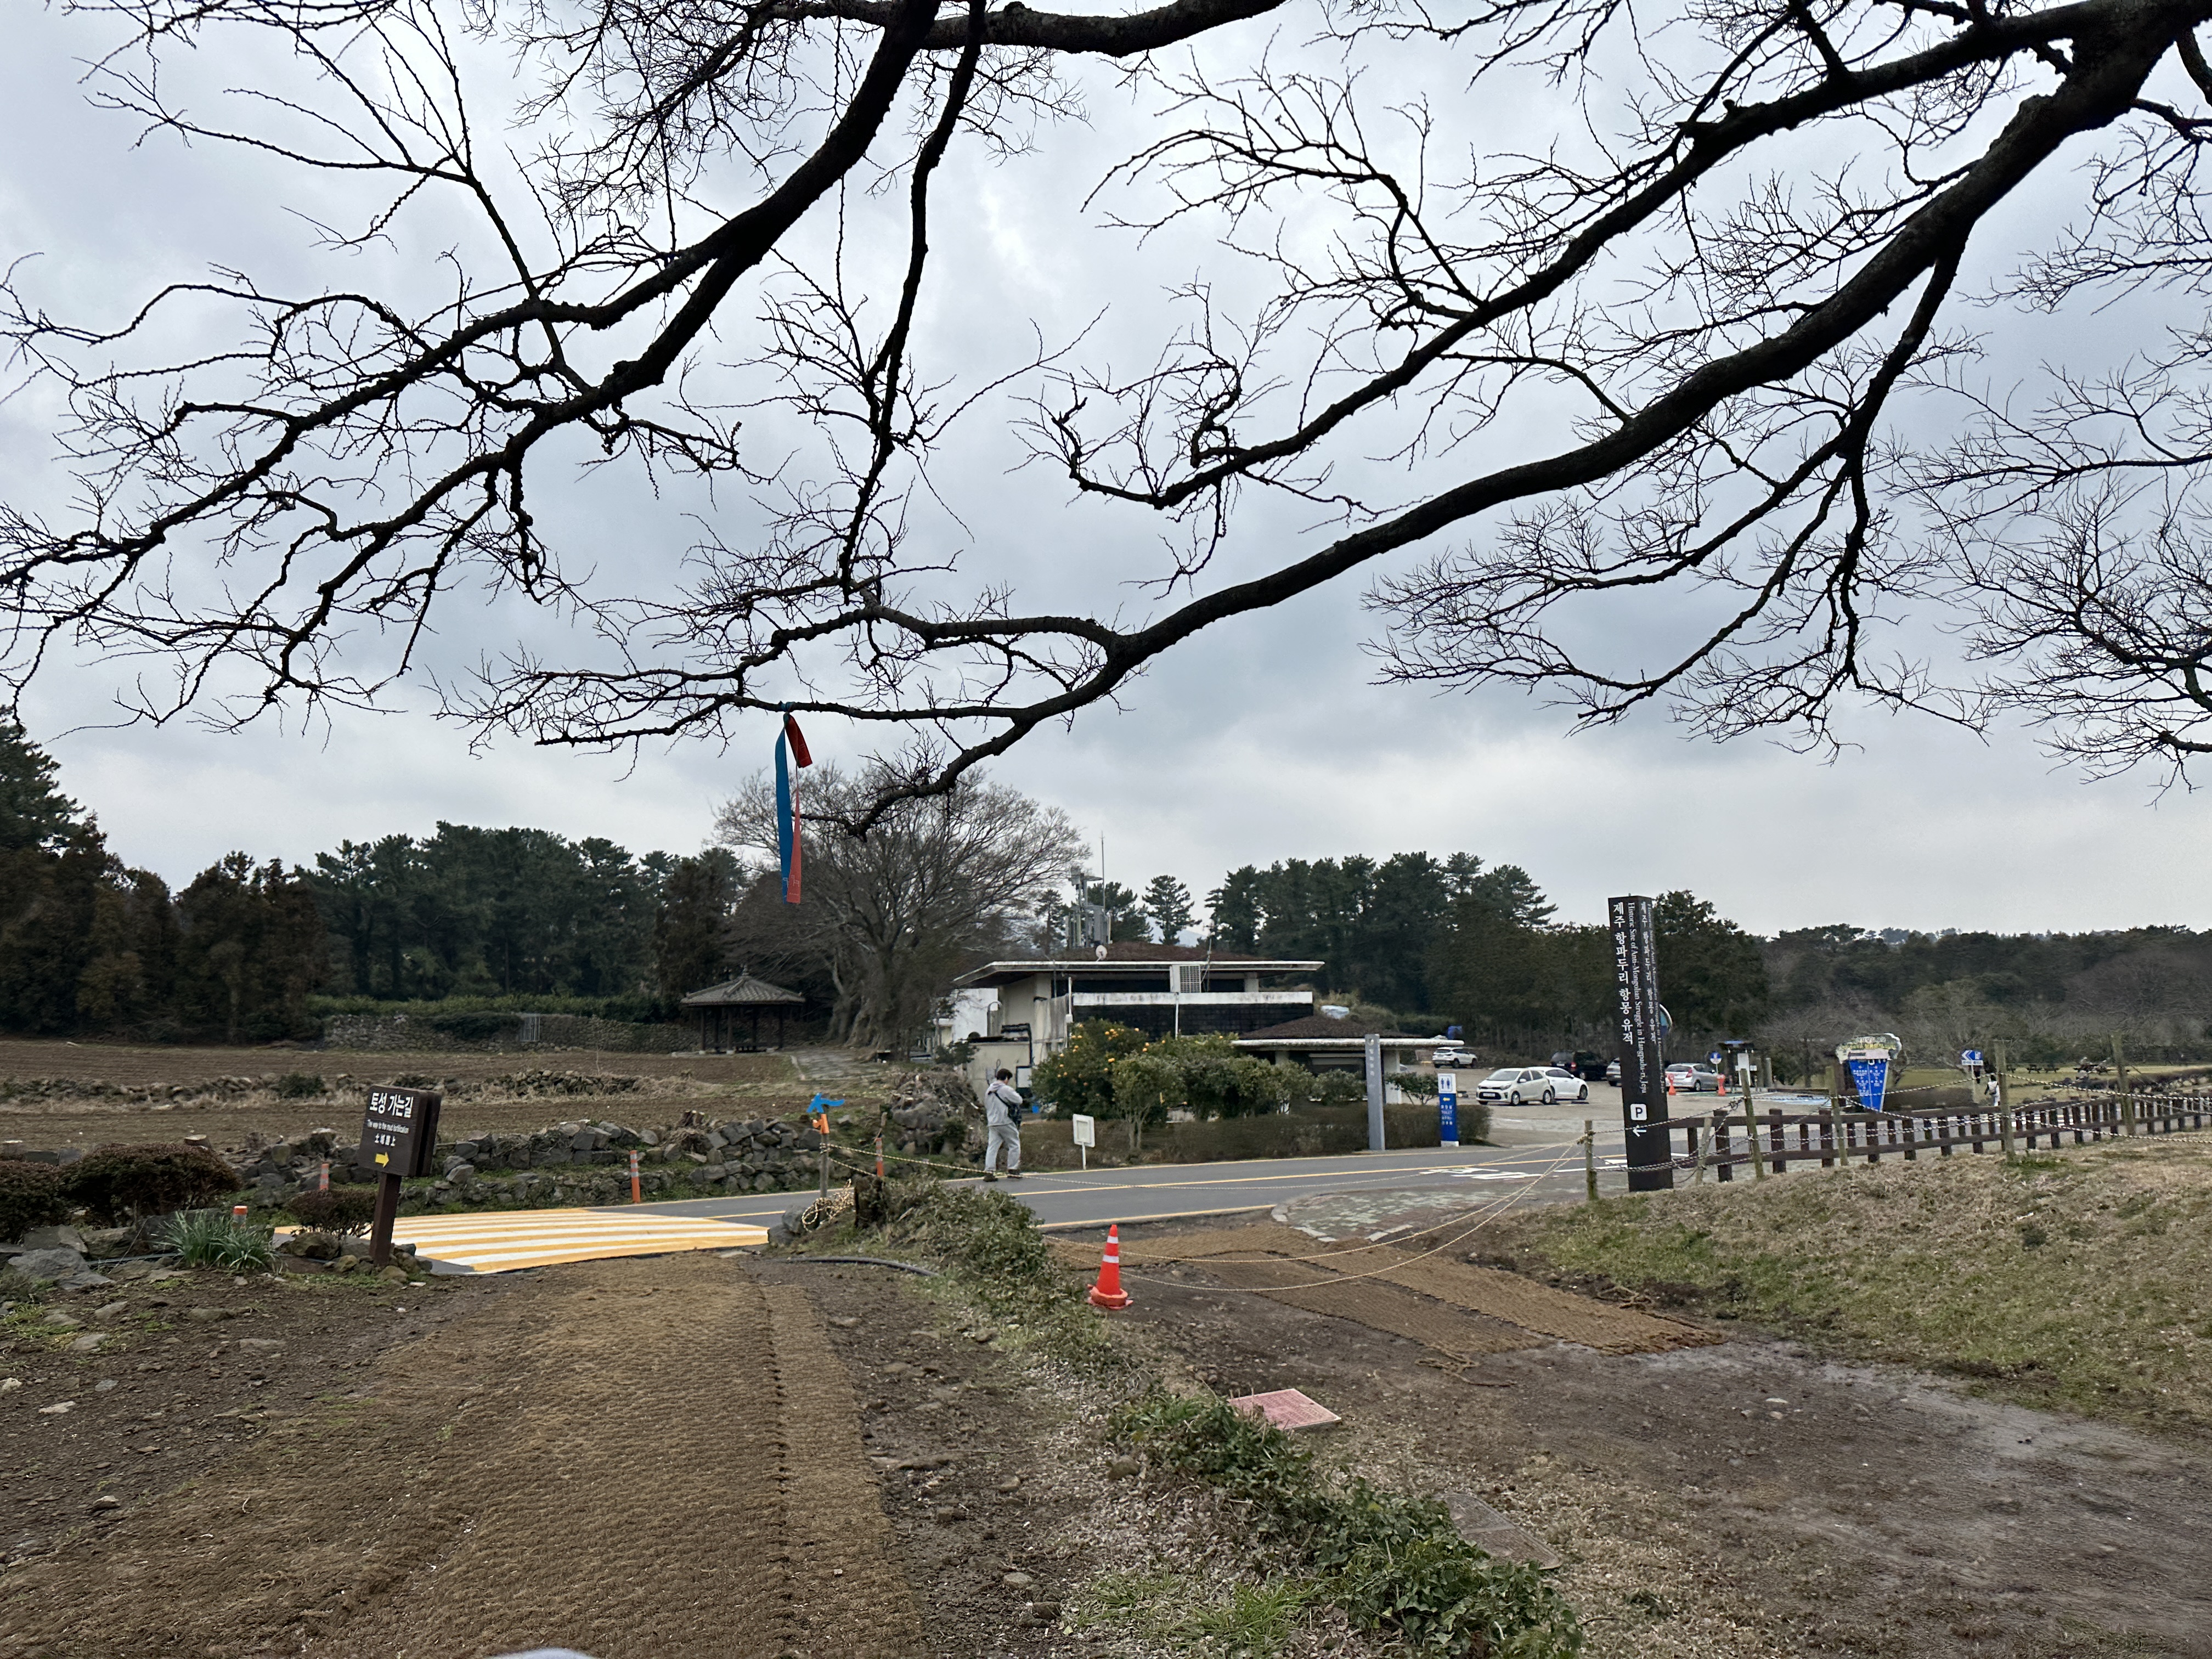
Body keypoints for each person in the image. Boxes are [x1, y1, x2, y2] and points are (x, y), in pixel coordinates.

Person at [981, 1068, 1024, 1181]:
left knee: (992, 1147)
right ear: (1006, 1078)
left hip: (992, 1122)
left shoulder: (989, 1090)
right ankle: (1013, 1169)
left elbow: (986, 1105)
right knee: (1014, 1144)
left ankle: (989, 1172)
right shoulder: (1005, 1089)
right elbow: (1019, 1100)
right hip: (1005, 1121)